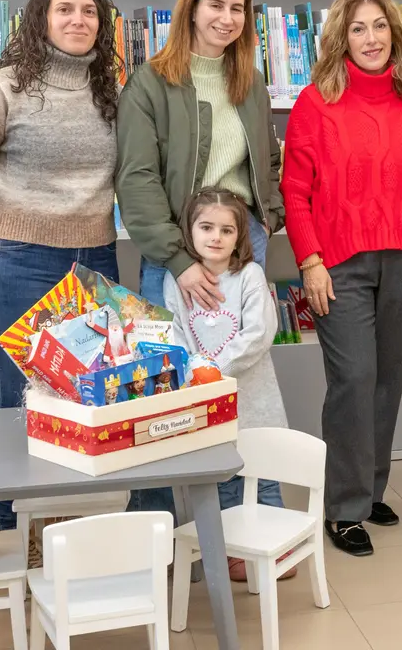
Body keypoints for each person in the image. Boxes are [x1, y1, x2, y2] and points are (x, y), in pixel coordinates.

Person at [0, 0, 121, 532]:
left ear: (102, 22)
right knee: (22, 405)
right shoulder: (4, 87)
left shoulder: (111, 90)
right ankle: (20, 534)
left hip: (95, 262)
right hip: (20, 263)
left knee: (86, 403)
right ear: (41, 17)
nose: (77, 20)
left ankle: (71, 531)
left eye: (88, 11)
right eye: (65, 9)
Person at [115, 0, 286, 523]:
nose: (227, 18)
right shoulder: (150, 83)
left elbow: (265, 162)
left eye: (238, 8)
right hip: (172, 253)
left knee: (241, 380)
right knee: (166, 384)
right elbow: (135, 179)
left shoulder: (251, 84)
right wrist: (179, 260)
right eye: (216, 5)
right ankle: (158, 525)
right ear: (191, 7)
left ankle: (246, 521)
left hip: (243, 250)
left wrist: (272, 217)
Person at [281, 0, 402, 557]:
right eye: (358, 28)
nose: (371, 38)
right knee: (353, 380)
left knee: (387, 380)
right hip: (338, 264)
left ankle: (371, 490)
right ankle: (343, 507)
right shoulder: (314, 102)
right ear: (340, 38)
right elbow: (294, 191)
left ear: (395, 35)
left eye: (380, 26)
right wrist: (310, 261)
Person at [165, 187, 294, 580]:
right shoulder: (178, 281)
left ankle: (277, 551)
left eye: (226, 230)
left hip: (253, 398)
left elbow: (259, 333)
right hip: (206, 401)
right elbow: (174, 334)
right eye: (206, 227)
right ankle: (231, 550)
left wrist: (212, 369)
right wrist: (194, 374)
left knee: (262, 472)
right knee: (222, 477)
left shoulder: (249, 276)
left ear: (240, 237)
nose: (215, 237)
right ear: (190, 230)